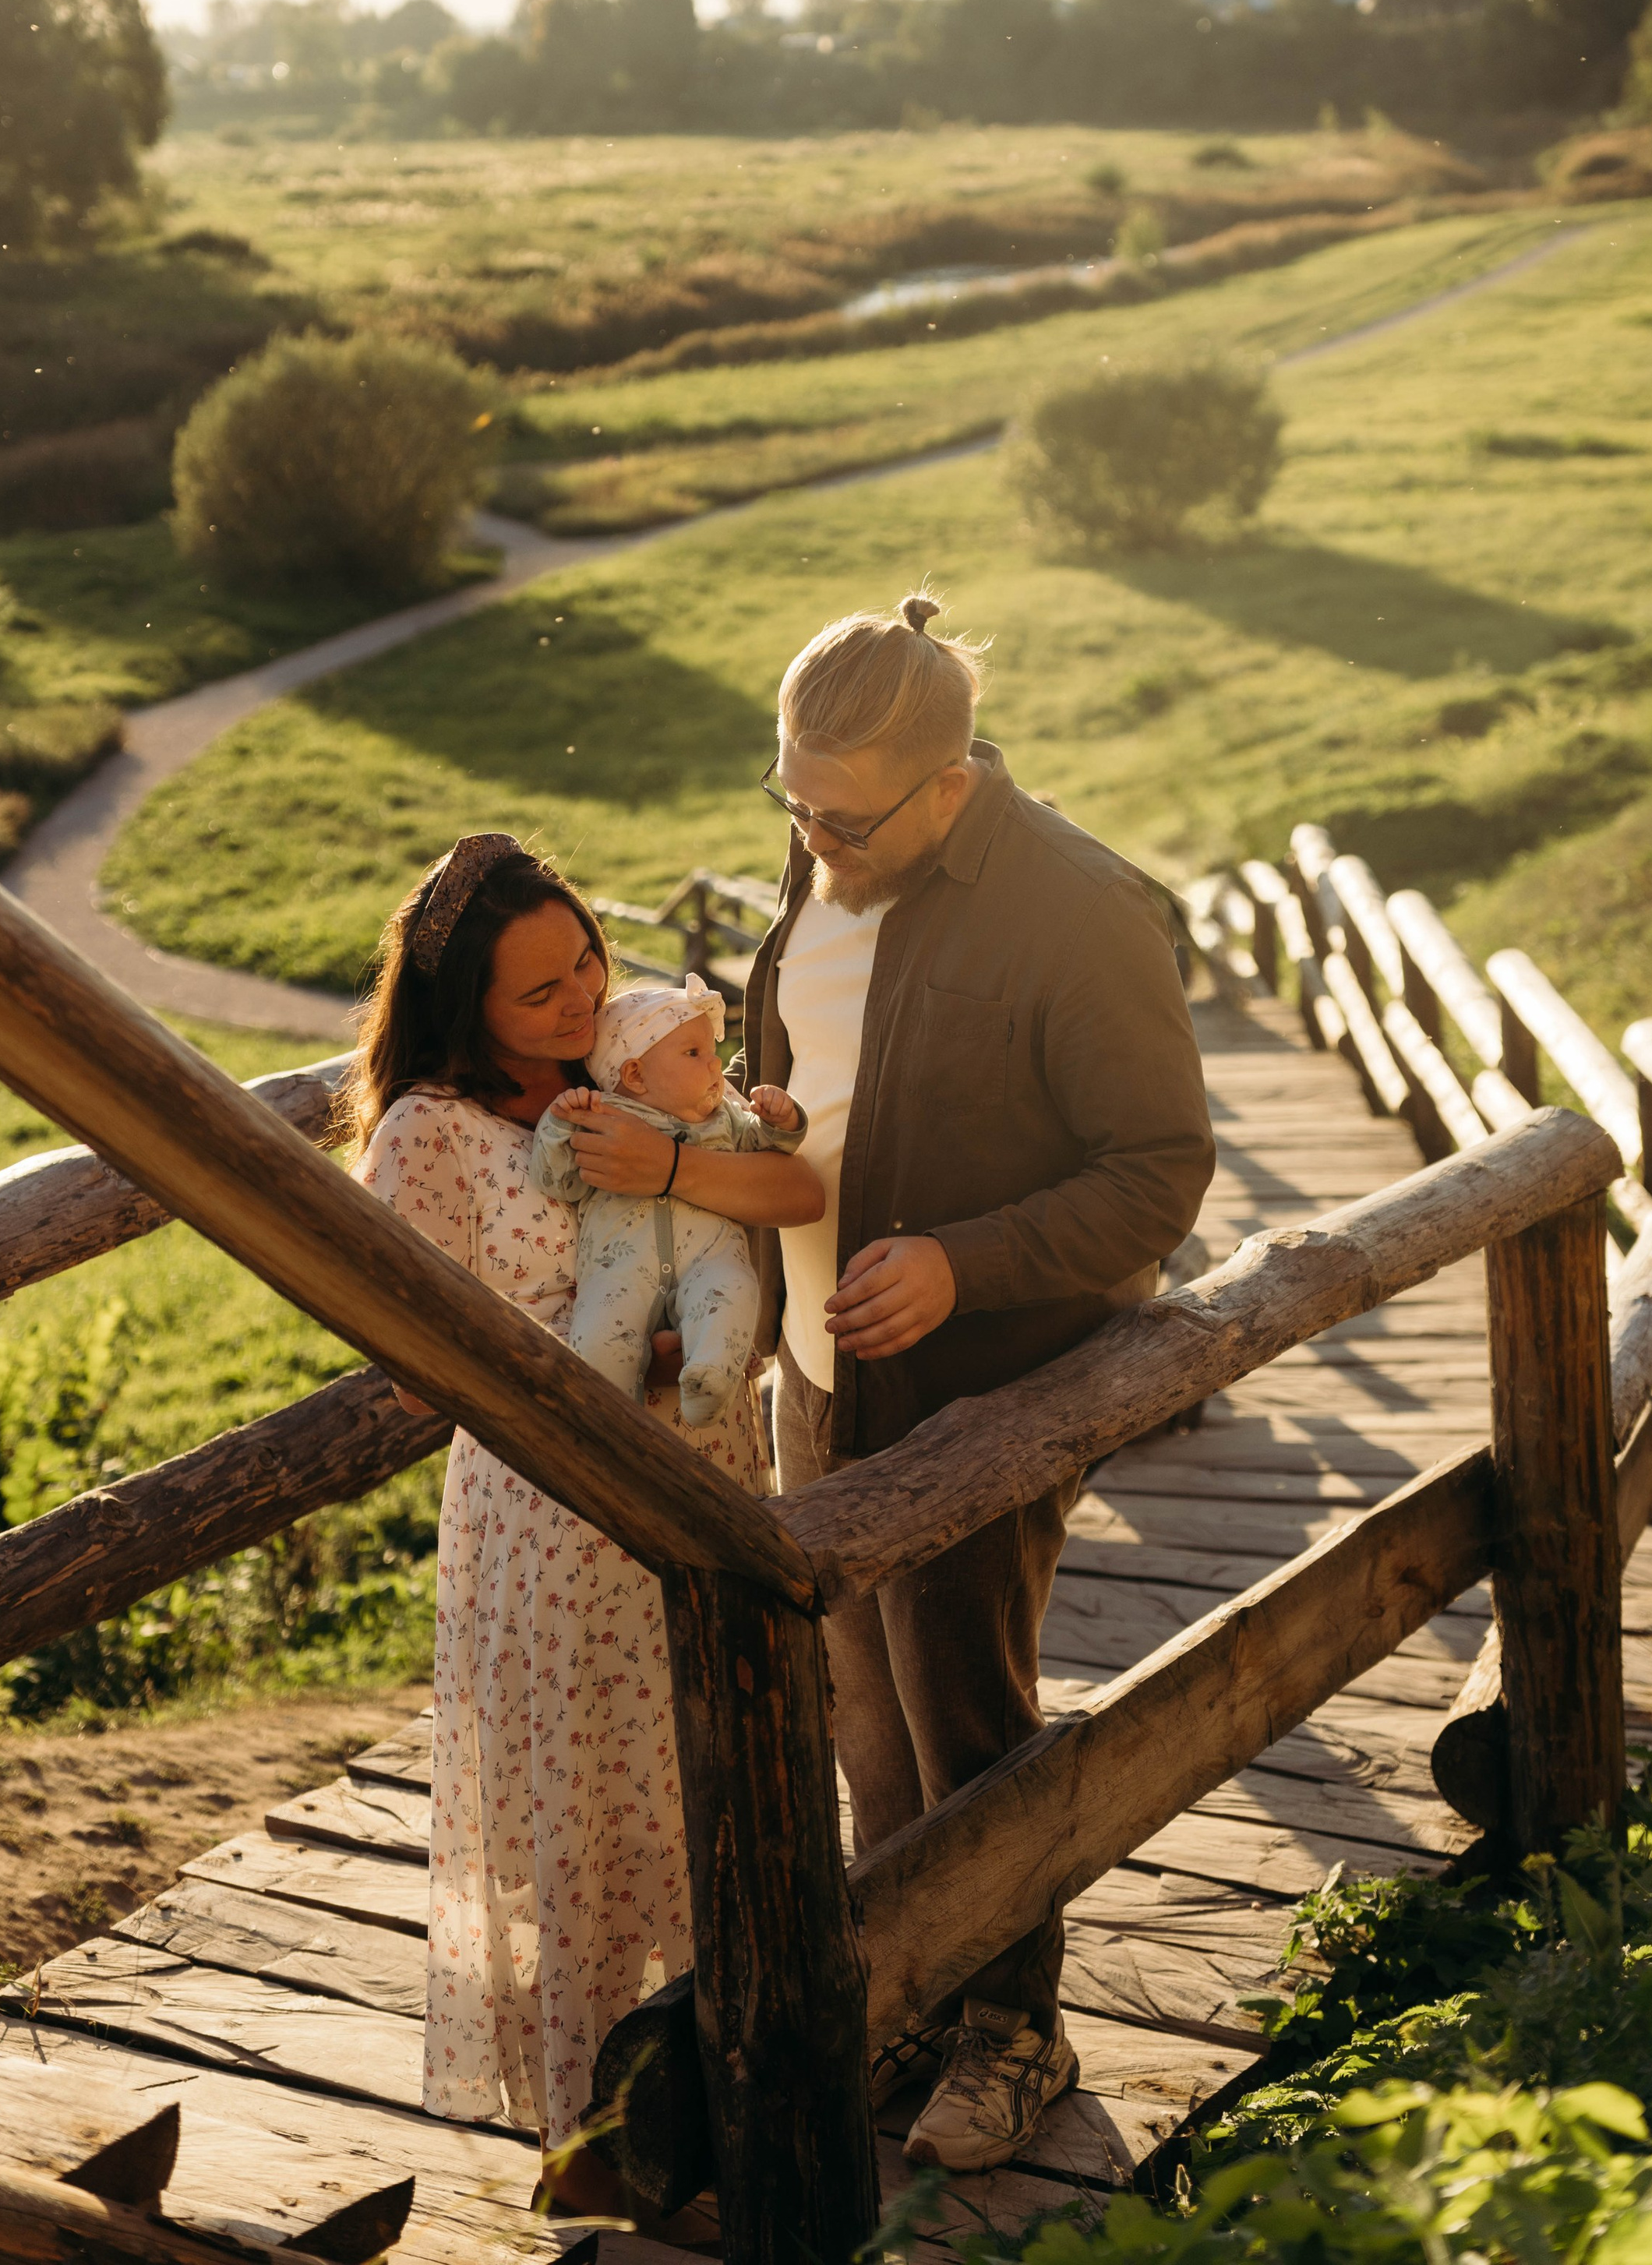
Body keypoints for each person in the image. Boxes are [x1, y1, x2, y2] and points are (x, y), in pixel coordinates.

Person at [741, 592, 1215, 2174]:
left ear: (948, 783)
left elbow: (1156, 1173)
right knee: (863, 1732)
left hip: (972, 1401)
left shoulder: (1077, 912)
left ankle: (1015, 2030)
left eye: (844, 816)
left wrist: (964, 1258)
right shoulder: (832, 850)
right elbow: (827, 1085)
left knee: (966, 1726)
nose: (811, 844)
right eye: (789, 805)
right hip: (811, 1381)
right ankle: (910, 1993)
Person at [345, 833, 824, 2179]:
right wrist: (597, 1360)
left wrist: (676, 1188)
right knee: (595, 1821)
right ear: (465, 1013)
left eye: (584, 964)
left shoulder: (635, 1068)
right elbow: (408, 1350)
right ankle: (610, 2137)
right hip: (560, 1520)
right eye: (536, 993)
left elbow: (777, 1191)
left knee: (726, 1777)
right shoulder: (432, 1134)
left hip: (714, 1467)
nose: (576, 1001)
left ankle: (754, 2076)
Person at [534, 970, 809, 1424]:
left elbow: (767, 1151)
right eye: (694, 1053)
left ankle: (711, 1373)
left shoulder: (726, 1119)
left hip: (711, 1257)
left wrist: (782, 1123)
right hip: (618, 1266)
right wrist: (561, 1127)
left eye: (714, 1053)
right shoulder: (601, 1118)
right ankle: (604, 1415)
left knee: (733, 1290)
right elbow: (558, 1181)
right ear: (635, 1074)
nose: (716, 1066)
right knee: (602, 1328)